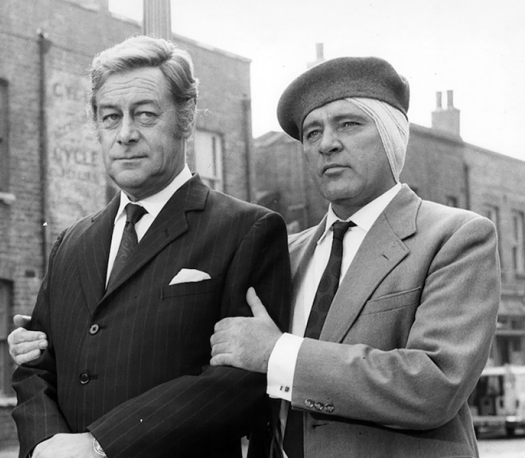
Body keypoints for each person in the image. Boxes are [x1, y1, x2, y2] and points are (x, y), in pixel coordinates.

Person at [10, 35, 291, 458]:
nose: (125, 134)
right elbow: (35, 363)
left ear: (186, 119)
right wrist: (45, 442)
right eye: (110, 117)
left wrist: (101, 445)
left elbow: (242, 382)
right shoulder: (71, 242)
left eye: (145, 114)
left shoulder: (247, 229)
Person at [209, 56, 500, 457]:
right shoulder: (287, 253)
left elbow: (434, 386)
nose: (326, 143)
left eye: (348, 124)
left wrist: (276, 353)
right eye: (312, 132)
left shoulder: (456, 237)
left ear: (392, 135)